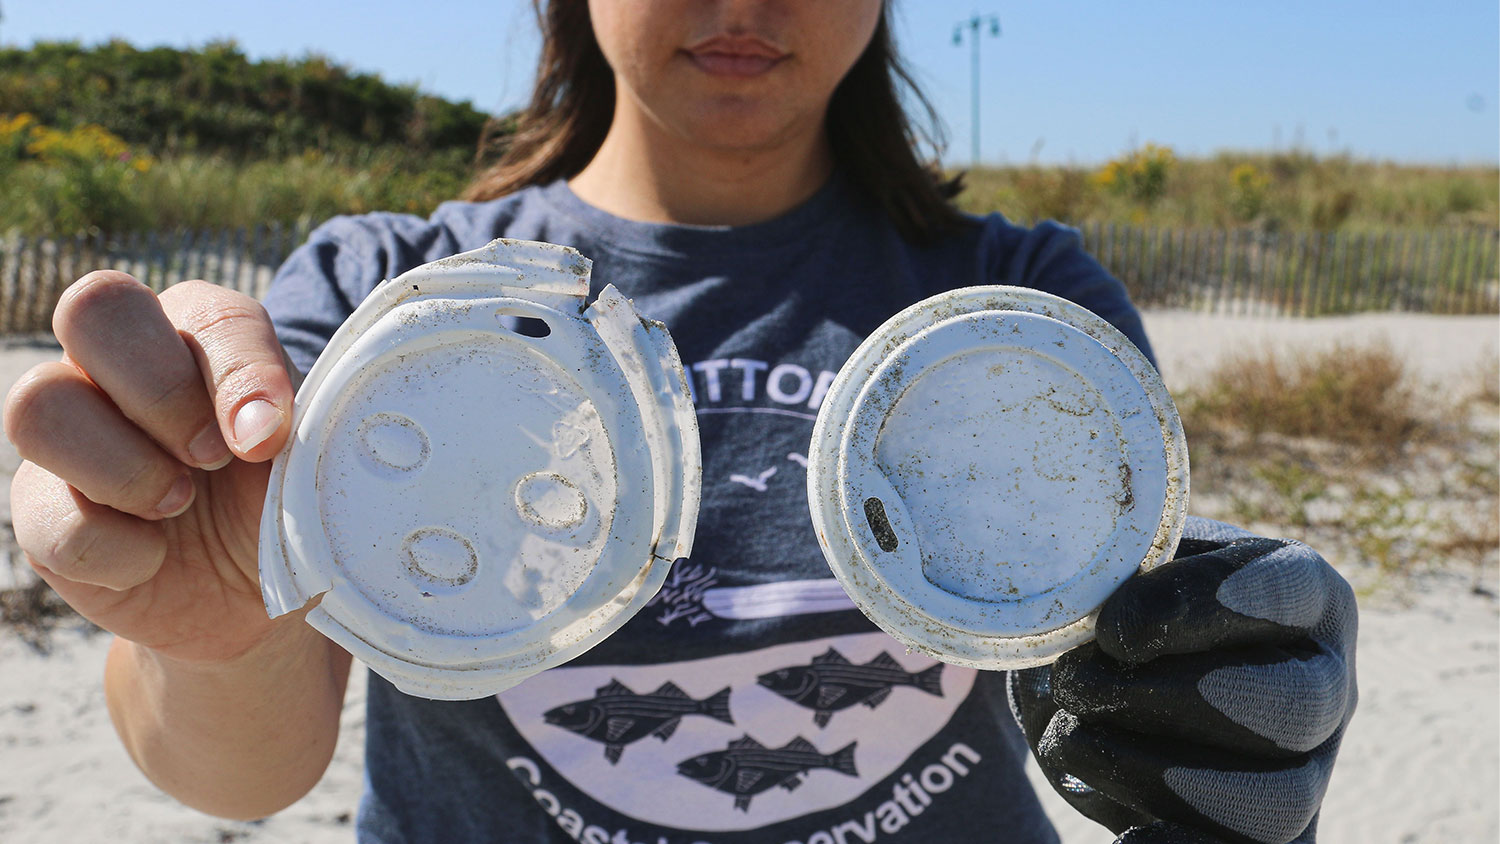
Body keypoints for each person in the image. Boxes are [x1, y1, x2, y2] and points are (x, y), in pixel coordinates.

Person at [4, 2, 1356, 842]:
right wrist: (217, 621)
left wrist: (1208, 697)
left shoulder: (1016, 318)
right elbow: (242, 775)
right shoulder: (394, 314)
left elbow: (1097, 674)